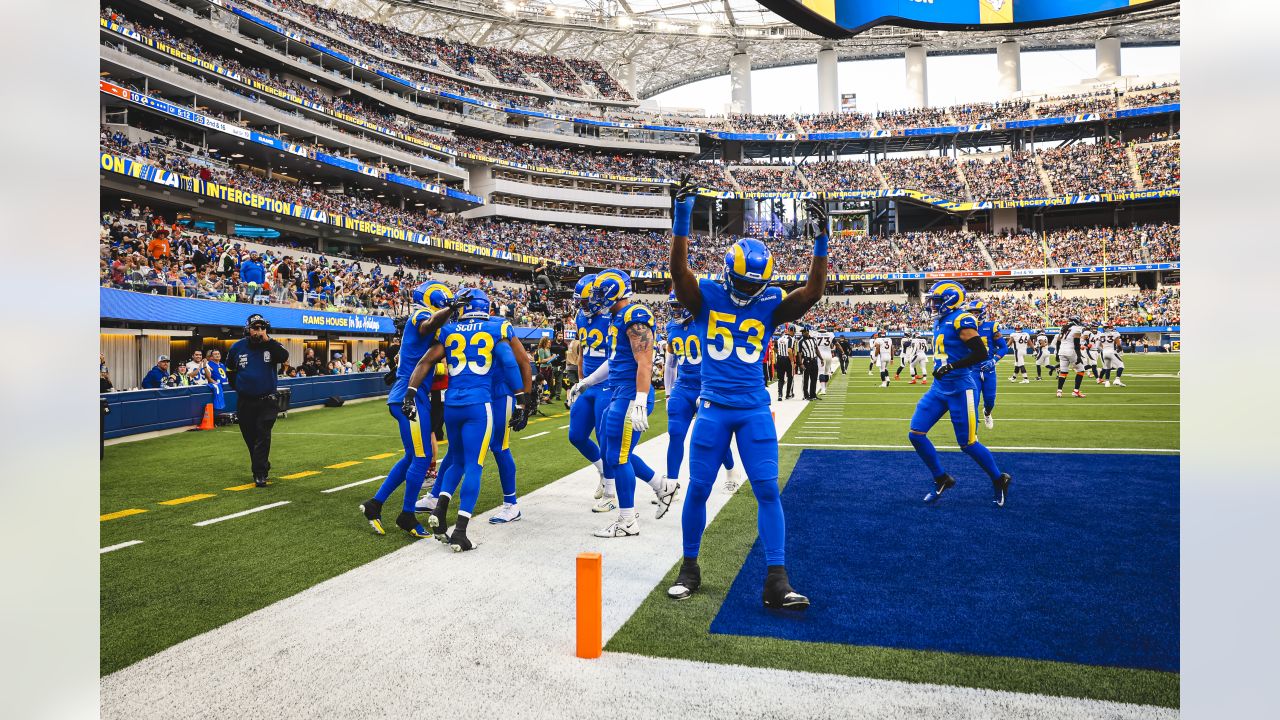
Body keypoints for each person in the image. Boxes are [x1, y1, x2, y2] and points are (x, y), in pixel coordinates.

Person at [667, 180, 827, 610]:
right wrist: (682, 217)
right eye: (741, 281)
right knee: (698, 488)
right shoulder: (707, 297)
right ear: (726, 272)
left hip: (754, 408)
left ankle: (777, 580)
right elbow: (679, 275)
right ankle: (690, 567)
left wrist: (821, 241)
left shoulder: (770, 301)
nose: (747, 291)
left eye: (754, 285)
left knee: (768, 491)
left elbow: (812, 293)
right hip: (714, 407)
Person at [406, 289, 529, 552]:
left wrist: (410, 391)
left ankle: (439, 510)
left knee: (457, 460)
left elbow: (426, 361)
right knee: (475, 464)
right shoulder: (497, 328)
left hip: (452, 403)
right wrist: (522, 398)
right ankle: (461, 529)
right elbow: (511, 363)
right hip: (480, 402)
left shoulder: (450, 330)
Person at [572, 270, 678, 539]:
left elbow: (644, 361)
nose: (594, 299)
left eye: (598, 293)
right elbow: (616, 361)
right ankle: (661, 486)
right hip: (619, 392)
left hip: (631, 395)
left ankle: (627, 520)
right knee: (612, 455)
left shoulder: (634, 316)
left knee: (618, 458)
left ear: (613, 292)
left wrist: (641, 400)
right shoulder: (617, 318)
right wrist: (587, 382)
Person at [361, 280, 456, 537]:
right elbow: (429, 324)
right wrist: (449, 310)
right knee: (422, 458)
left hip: (414, 394)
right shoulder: (421, 314)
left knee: (412, 457)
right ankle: (406, 514)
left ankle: (375, 504)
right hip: (410, 395)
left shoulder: (428, 319)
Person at [910, 282, 1012, 508]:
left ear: (950, 299)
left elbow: (980, 353)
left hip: (960, 388)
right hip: (939, 387)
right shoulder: (940, 320)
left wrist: (953, 367)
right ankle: (941, 477)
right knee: (916, 433)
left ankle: (999, 478)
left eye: (937, 300)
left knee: (967, 443)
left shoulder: (961, 319)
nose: (932, 304)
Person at [664, 291, 743, 494]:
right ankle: (671, 484)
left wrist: (712, 387)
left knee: (712, 434)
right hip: (682, 387)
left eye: (677, 306)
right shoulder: (671, 327)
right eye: (672, 306)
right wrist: (668, 392)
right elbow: (670, 364)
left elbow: (719, 358)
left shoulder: (705, 323)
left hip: (706, 386)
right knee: (675, 433)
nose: (675, 310)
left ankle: (732, 471)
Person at [565, 274, 617, 510]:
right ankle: (603, 472)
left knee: (605, 440)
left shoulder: (612, 316)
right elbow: (584, 351)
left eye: (586, 301)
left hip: (608, 384)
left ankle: (611, 493)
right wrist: (579, 380)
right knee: (576, 435)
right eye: (581, 302)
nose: (582, 306)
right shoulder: (580, 317)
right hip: (588, 384)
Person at [225, 314, 289, 488]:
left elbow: (284, 356)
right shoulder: (237, 347)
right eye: (255, 328)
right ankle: (263, 464)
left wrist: (268, 339)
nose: (258, 332)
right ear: (248, 329)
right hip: (245, 401)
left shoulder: (271, 346)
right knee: (250, 438)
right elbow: (230, 369)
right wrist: (238, 387)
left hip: (267, 401)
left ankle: (259, 474)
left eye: (262, 328)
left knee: (262, 435)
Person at [966, 300, 1007, 430]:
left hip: (989, 369)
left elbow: (1004, 347)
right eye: (971, 312)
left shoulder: (991, 327)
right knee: (973, 401)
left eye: (976, 312)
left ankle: (987, 413)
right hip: (973, 370)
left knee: (990, 400)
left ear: (982, 313)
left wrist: (993, 360)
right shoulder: (964, 329)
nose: (974, 315)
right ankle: (974, 434)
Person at [1056, 317, 1088, 398]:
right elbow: (1076, 344)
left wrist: (1057, 353)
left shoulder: (1063, 328)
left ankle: (1059, 391)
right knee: (1081, 370)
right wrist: (1079, 355)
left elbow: (1058, 342)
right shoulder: (1077, 328)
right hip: (1071, 351)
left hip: (1061, 351)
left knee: (1063, 371)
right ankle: (1076, 391)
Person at [773, 325, 796, 401]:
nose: (794, 333)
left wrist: (779, 353)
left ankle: (780, 395)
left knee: (781, 379)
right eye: (794, 332)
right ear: (791, 331)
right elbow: (789, 350)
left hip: (780, 359)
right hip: (787, 359)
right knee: (790, 377)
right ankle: (788, 394)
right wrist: (792, 361)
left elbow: (774, 348)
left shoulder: (780, 338)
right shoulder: (791, 339)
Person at [798, 328, 820, 400]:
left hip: (814, 360)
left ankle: (813, 394)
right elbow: (800, 353)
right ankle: (806, 395)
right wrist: (801, 363)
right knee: (806, 379)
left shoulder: (813, 339)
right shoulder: (801, 341)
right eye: (802, 332)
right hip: (807, 361)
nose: (803, 333)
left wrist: (821, 358)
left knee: (814, 378)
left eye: (804, 332)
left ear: (807, 332)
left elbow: (816, 349)